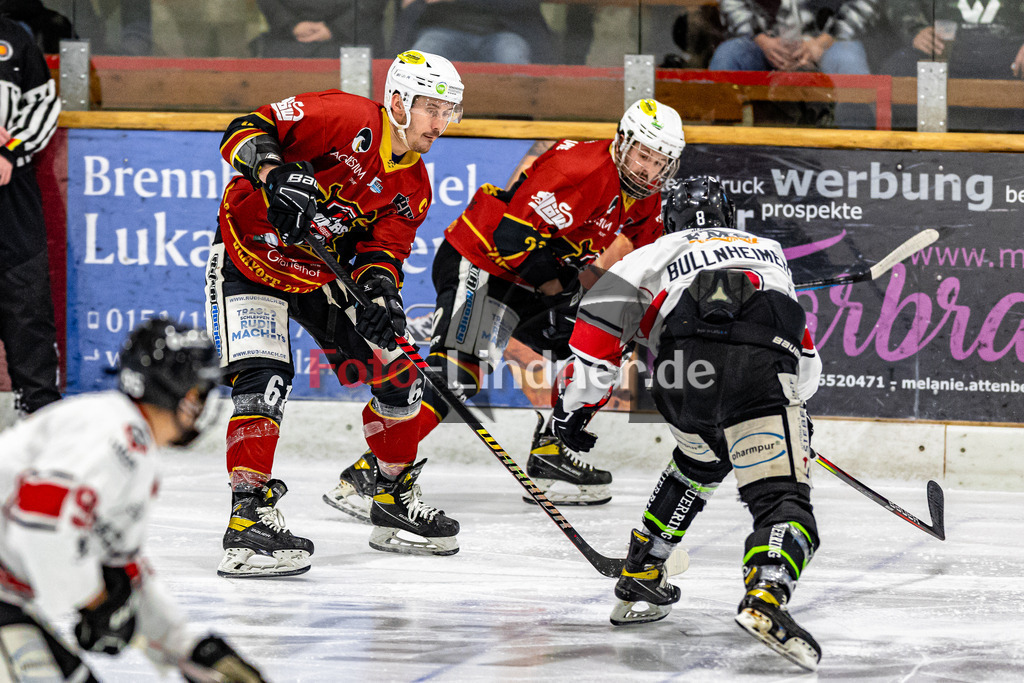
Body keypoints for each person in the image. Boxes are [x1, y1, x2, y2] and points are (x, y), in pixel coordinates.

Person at [324, 98, 685, 522]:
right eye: (643, 156)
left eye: (660, 162)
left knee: (594, 343)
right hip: (484, 262)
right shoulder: (579, 169)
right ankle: (370, 472)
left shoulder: (642, 195)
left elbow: (647, 257)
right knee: (458, 372)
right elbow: (512, 239)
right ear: (623, 143)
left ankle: (551, 452)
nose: (649, 170)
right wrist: (563, 294)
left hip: (531, 276)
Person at [549, 176, 824, 671]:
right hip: (759, 370)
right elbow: (806, 365)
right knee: (781, 497)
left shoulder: (646, 255)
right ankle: (766, 595)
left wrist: (571, 414)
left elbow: (593, 348)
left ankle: (645, 566)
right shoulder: (769, 251)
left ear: (669, 219)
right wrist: (792, 418)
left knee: (702, 456)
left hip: (681, 377)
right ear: (729, 215)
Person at [206, 50, 464, 571]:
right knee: (265, 379)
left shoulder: (413, 187)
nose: (440, 123)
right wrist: (272, 171)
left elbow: (381, 253)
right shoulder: (344, 118)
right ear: (397, 101)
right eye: (431, 108)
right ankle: (248, 520)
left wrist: (381, 297)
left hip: (317, 276)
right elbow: (244, 128)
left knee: (400, 372)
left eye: (449, 110)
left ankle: (390, 499)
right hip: (246, 257)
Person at [0, 318, 267, 682]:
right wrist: (95, 603)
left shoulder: (132, 446)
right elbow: (42, 523)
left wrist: (189, 647)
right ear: (187, 396)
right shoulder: (113, 434)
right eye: (201, 391)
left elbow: (121, 567)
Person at [0, 13, 62, 417]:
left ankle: (38, 409)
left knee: (25, 297)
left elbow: (43, 104)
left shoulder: (12, 35)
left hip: (10, 183)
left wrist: (9, 150)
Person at [710, 0, 879, 128]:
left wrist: (823, 42)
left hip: (830, 42)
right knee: (728, 57)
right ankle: (716, 155)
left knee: (849, 62)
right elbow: (731, 3)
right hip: (762, 42)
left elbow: (863, 4)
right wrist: (761, 39)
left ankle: (856, 158)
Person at [395, 0, 553, 64]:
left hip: (507, 32)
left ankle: (518, 132)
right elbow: (412, 7)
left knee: (512, 58)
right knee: (419, 62)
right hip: (441, 30)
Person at [251, 0, 386, 58]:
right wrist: (291, 25)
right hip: (287, 43)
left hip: (354, 42)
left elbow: (371, 4)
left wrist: (336, 28)